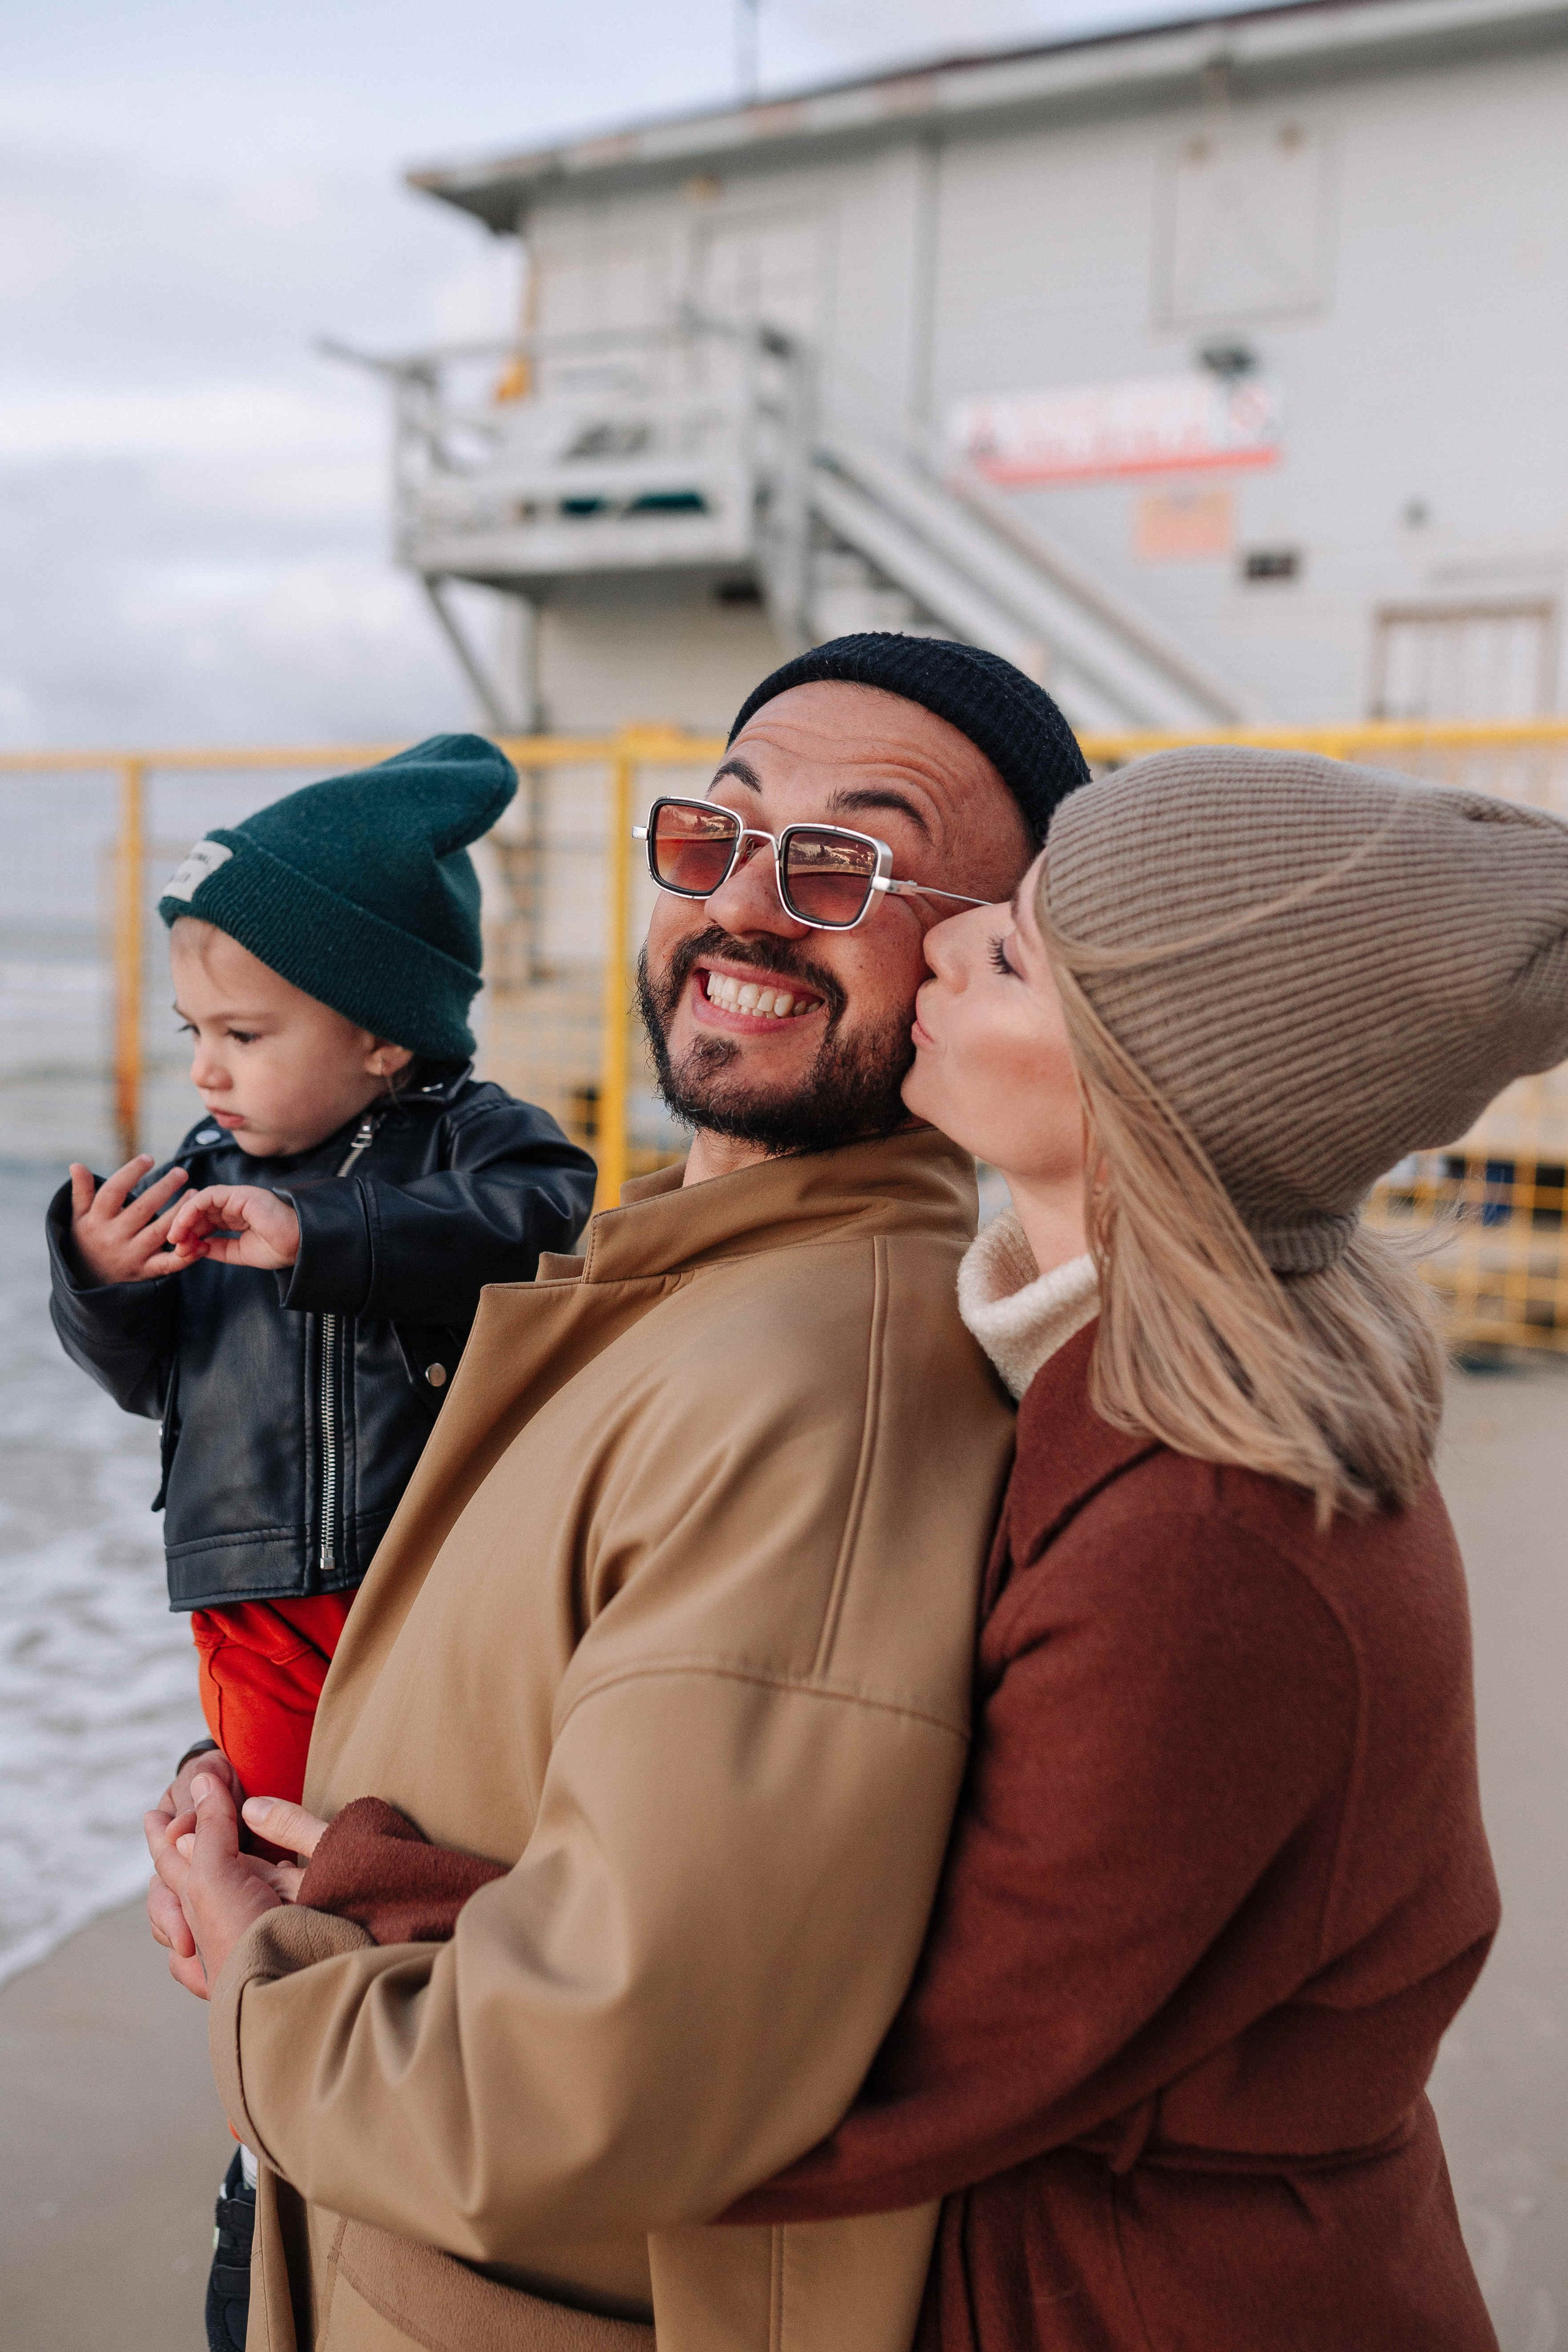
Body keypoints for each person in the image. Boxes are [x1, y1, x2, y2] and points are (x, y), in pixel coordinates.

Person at [144, 633, 1089, 2352]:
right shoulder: (669, 1269)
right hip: (348, 2231)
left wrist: (253, 1956)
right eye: (715, 835)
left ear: (980, 959)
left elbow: (589, 2083)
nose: (746, 908)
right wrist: (295, 1802)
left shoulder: (827, 1393)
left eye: (846, 860)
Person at [714, 743, 1553, 2347]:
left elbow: (891, 2064)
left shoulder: (1213, 1539)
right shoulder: (1133, 1399)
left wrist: (366, 1928)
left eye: (1015, 952)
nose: (943, 941)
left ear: (1152, 1094)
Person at [47, 735, 596, 2350]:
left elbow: (552, 1222)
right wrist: (105, 1285)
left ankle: (310, 2136)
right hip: (242, 1591)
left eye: (244, 1033)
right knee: (259, 1864)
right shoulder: (215, 1168)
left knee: (350, 1877)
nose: (204, 1072)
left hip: (401, 1585)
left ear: (377, 1036)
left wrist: (332, 1234)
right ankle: (272, 2140)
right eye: (190, 1033)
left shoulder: (458, 1140)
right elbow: (152, 1380)